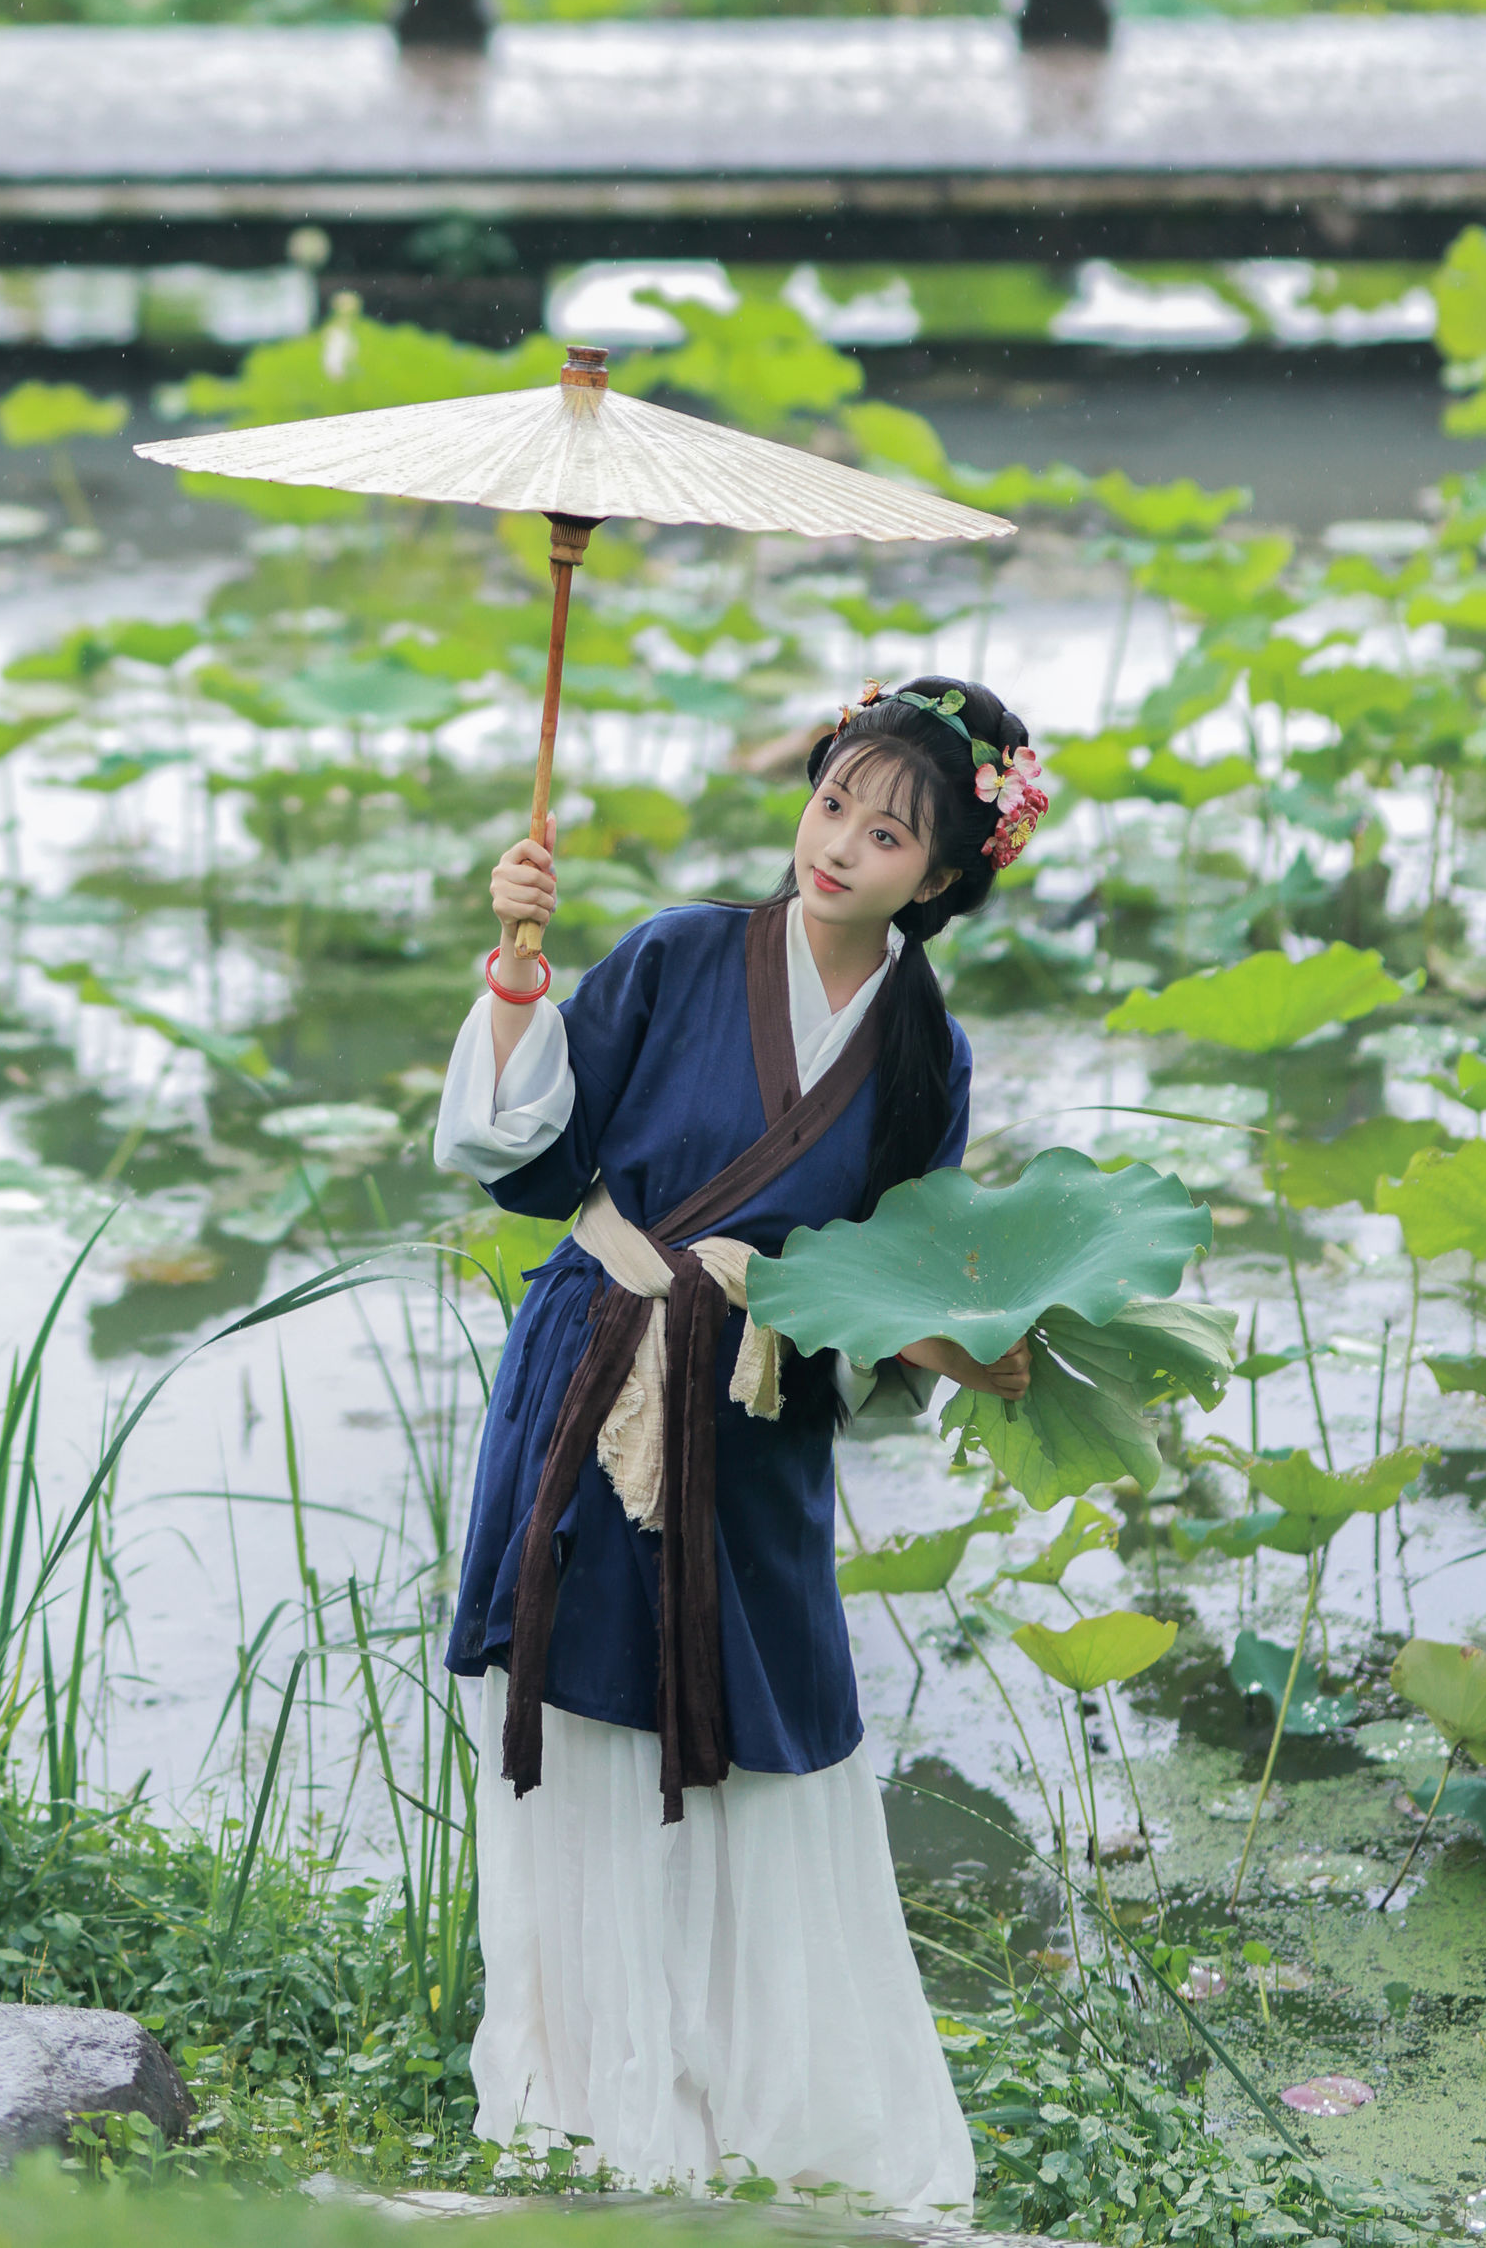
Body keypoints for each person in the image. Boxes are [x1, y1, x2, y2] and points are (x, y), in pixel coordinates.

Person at [434, 672, 1051, 2206]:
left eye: (892, 830)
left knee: (764, 1749)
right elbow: (527, 1164)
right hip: (595, 1373)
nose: (840, 841)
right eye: (834, 796)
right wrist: (518, 980)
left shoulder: (923, 1053)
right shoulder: (678, 955)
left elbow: (895, 1282)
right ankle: (595, 2117)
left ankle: (777, 2129)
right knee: (584, 1728)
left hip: (759, 1423)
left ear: (949, 872)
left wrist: (982, 1341)